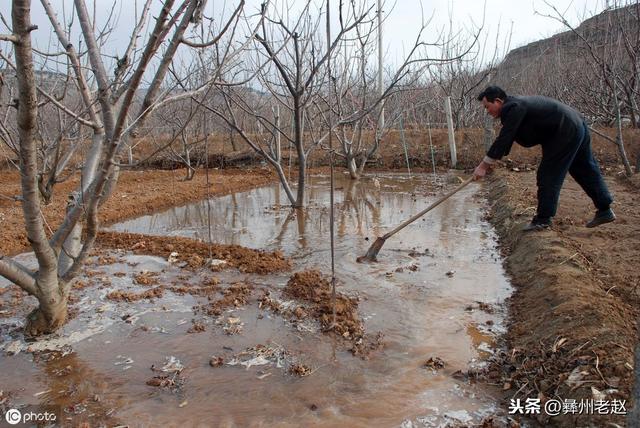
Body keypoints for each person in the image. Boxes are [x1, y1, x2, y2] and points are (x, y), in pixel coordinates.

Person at [473, 86, 615, 231]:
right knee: (584, 168)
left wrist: (483, 166)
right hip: (576, 124)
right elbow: (508, 139)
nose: (488, 112)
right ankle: (605, 209)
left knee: (548, 174)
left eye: (487, 107)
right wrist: (490, 161)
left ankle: (543, 219)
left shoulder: (512, 107)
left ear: (497, 101)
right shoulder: (516, 105)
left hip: (564, 129)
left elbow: (504, 138)